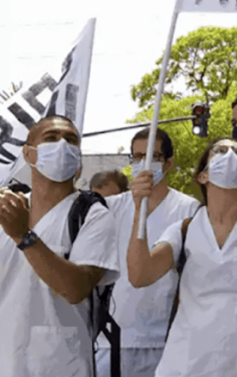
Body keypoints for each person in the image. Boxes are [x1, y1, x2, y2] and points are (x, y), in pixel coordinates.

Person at [126, 138, 237, 377]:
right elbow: (140, 275)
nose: (230, 155)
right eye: (220, 151)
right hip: (184, 368)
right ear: (202, 176)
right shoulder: (183, 231)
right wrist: (138, 210)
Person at [0, 115, 119, 377]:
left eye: (71, 140)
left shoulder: (92, 215)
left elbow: (76, 289)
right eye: (51, 138)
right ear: (28, 154)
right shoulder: (7, 210)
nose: (63, 145)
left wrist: (24, 237)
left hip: (62, 366)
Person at [96, 128, 200, 377]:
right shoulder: (110, 207)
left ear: (169, 163)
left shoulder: (190, 209)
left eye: (152, 156)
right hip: (113, 338)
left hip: (163, 339)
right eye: (137, 156)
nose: (143, 163)